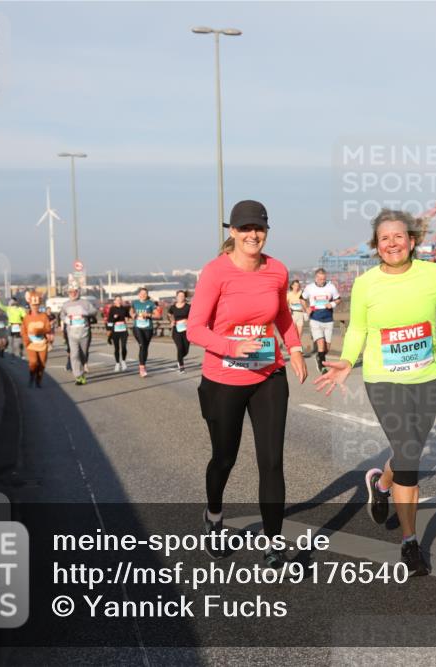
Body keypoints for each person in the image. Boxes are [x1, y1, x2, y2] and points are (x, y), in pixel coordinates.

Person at [315, 210, 436, 577]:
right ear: (376, 247)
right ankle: (410, 542)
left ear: (412, 241)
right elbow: (358, 329)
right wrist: (347, 361)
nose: (392, 243)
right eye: (384, 238)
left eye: (399, 236)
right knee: (410, 456)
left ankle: (380, 484)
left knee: (406, 452)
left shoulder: (432, 273)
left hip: (425, 380)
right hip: (384, 381)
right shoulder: (366, 284)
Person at [187, 200, 307, 569]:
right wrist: (231, 346)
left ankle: (273, 544)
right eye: (245, 228)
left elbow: (283, 315)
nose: (253, 234)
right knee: (225, 458)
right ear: (232, 232)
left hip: (269, 374)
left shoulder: (277, 270)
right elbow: (194, 329)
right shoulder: (215, 273)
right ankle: (214, 515)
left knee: (271, 462)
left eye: (259, 228)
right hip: (224, 379)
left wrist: (297, 348)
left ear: (266, 231)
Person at [302, 268, 340, 374]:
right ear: (316, 278)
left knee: (326, 348)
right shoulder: (309, 288)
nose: (321, 281)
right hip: (315, 319)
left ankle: (319, 356)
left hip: (328, 320)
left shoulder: (331, 287)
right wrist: (306, 308)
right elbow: (302, 298)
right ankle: (322, 366)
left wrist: (332, 304)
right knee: (321, 343)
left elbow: (338, 299)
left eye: (323, 279)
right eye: (319, 279)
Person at [62, 286, 99, 385]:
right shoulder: (66, 305)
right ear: (68, 293)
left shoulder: (85, 303)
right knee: (74, 355)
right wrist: (66, 319)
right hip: (72, 333)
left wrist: (85, 312)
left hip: (84, 333)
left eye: (75, 291)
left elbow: (94, 311)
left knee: (83, 354)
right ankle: (78, 376)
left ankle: (82, 371)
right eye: (70, 292)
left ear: (78, 292)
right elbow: (62, 315)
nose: (73, 293)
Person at [22, 290, 54, 388]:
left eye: (37, 305)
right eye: (33, 305)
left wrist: (40, 331)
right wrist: (27, 340)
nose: (35, 307)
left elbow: (48, 328)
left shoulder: (43, 316)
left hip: (42, 343)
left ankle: (38, 380)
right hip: (31, 344)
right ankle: (32, 376)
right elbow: (23, 331)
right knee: (33, 362)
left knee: (42, 364)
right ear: (30, 304)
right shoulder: (26, 317)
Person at [130, 287, 156, 378]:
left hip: (148, 328)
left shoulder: (151, 303)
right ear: (139, 294)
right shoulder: (135, 303)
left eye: (145, 293)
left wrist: (148, 315)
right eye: (142, 293)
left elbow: (158, 315)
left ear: (147, 295)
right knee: (142, 345)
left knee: (145, 347)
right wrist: (132, 314)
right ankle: (142, 368)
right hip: (137, 327)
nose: (143, 295)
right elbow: (131, 310)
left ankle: (143, 364)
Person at [169, 290, 192, 373]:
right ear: (176, 297)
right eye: (179, 296)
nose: (181, 297)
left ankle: (179, 359)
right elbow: (169, 315)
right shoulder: (173, 307)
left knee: (186, 350)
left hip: (186, 330)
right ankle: (181, 366)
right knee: (180, 347)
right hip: (176, 330)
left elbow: (193, 316)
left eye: (182, 296)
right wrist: (171, 321)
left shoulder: (188, 307)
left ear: (184, 297)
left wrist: (188, 320)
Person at [106, 296, 130, 372]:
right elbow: (109, 320)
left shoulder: (124, 308)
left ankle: (123, 362)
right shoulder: (112, 309)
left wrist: (128, 318)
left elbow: (128, 316)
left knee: (124, 347)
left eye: (120, 300)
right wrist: (109, 331)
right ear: (114, 301)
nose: (119, 301)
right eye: (117, 300)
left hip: (123, 330)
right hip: (115, 330)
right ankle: (117, 363)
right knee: (117, 348)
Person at [286, 279, 307, 343]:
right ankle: (294, 347)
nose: (296, 287)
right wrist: (288, 308)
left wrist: (305, 310)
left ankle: (298, 347)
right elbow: (285, 304)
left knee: (299, 334)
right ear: (292, 286)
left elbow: (304, 302)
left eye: (298, 286)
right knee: (294, 333)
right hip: (293, 314)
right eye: (295, 285)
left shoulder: (301, 293)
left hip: (300, 314)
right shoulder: (289, 294)